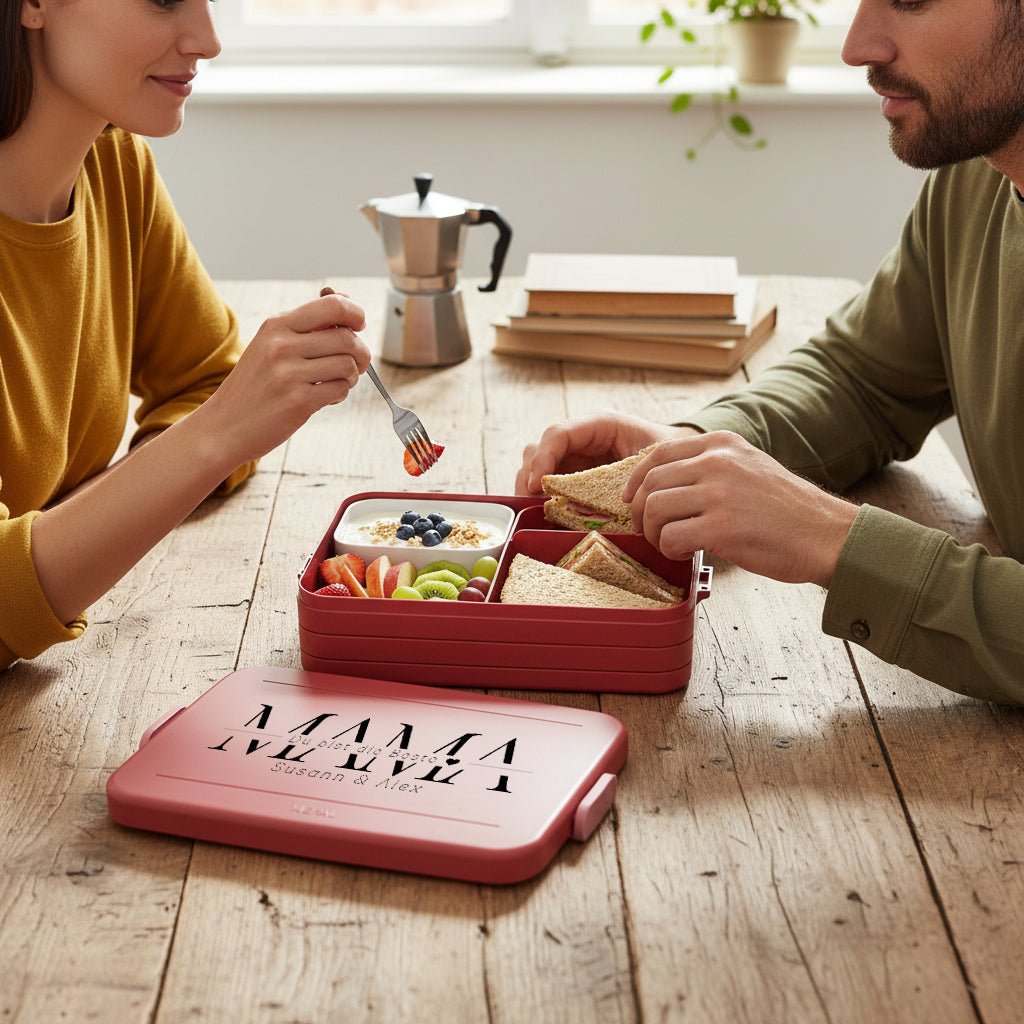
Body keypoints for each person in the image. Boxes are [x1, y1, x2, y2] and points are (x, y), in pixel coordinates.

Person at [517, 0, 1024, 705]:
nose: (857, 45)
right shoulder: (977, 180)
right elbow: (863, 378)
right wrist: (700, 450)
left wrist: (832, 539)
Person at [0, 0, 370, 668]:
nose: (209, 40)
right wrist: (219, 433)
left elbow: (208, 377)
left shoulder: (115, 169)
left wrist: (77, 525)